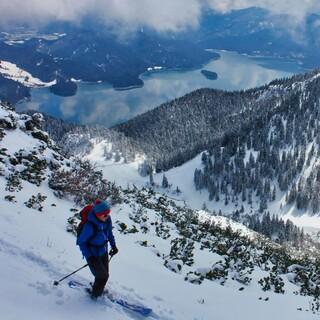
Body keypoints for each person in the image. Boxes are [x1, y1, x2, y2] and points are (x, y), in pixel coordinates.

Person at [77, 199, 118, 299]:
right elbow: (81, 243)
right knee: (103, 276)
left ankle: (97, 288)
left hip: (103, 250)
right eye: (105, 215)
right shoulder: (89, 226)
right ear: (97, 214)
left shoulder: (107, 220)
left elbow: (109, 233)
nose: (107, 216)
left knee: (104, 274)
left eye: (108, 213)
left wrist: (113, 245)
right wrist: (90, 257)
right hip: (93, 254)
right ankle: (95, 296)